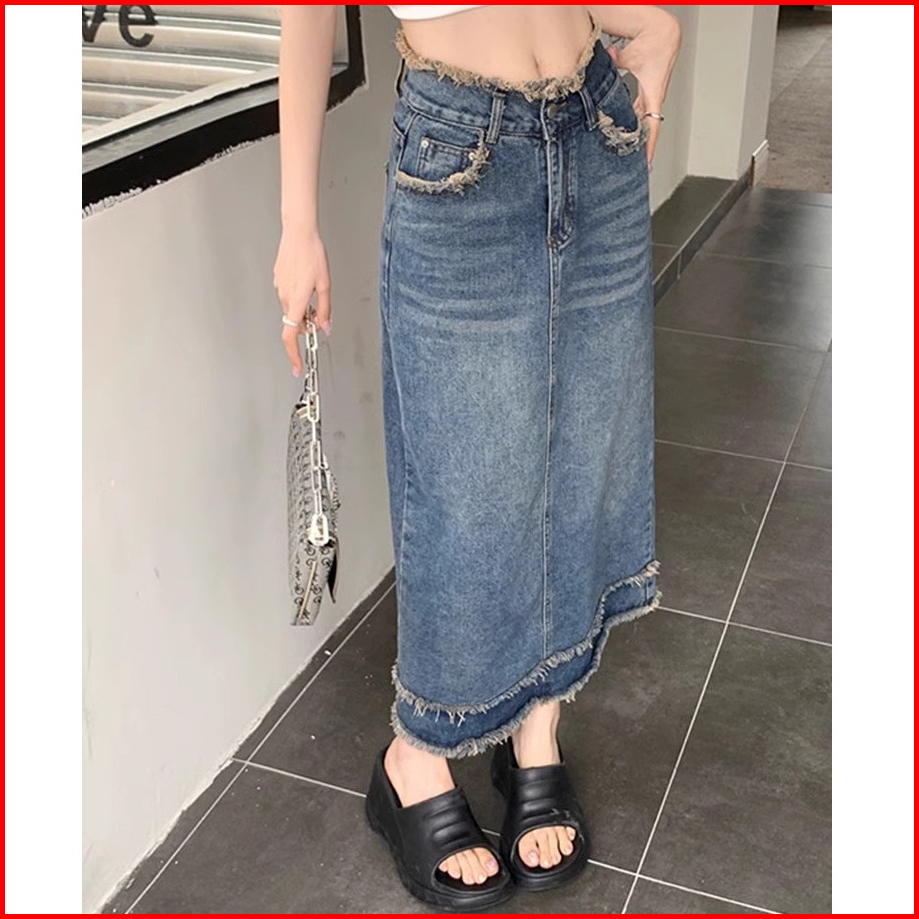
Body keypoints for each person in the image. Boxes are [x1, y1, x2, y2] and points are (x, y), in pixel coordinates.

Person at [273, 5, 680, 911]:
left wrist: (652, 30)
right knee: (467, 486)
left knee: (583, 456)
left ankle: (536, 732)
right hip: (460, 146)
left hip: (593, 124)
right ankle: (416, 755)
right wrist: (298, 224)